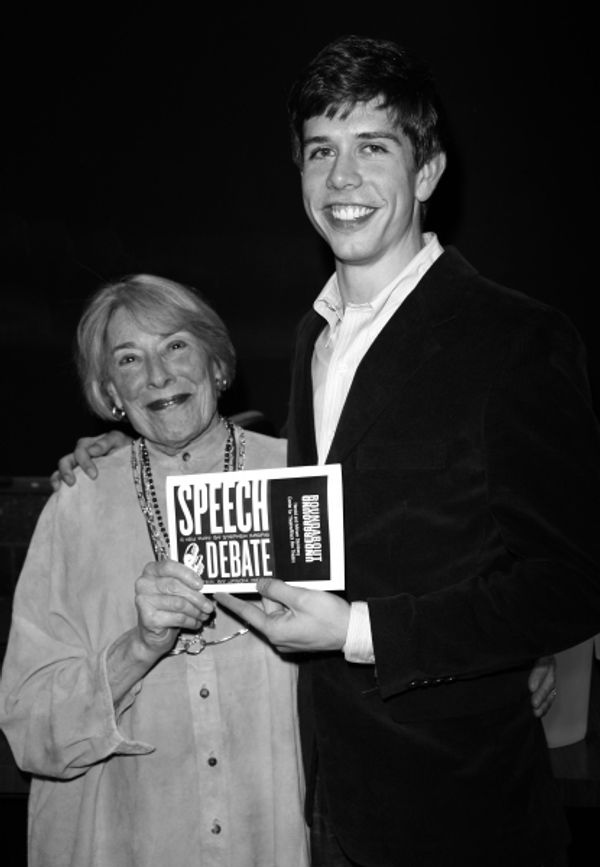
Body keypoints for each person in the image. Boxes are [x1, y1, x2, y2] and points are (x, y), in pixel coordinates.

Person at [210, 34, 600, 867]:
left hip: (466, 818)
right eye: (321, 152)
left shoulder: (517, 338)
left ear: (426, 173)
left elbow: (573, 583)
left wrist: (357, 628)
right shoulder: (314, 332)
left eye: (372, 148)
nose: (341, 179)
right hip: (332, 806)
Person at [0, 274, 310, 867]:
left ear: (217, 364)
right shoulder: (78, 506)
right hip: (131, 840)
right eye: (128, 359)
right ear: (111, 391)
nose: (158, 375)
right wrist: (137, 649)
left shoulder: (300, 482)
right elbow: (29, 728)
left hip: (276, 837)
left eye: (175, 345)